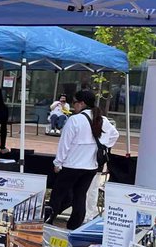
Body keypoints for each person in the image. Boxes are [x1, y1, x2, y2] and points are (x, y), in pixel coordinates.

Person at [49, 89, 119, 229]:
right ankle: (73, 227)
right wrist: (103, 144)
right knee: (80, 197)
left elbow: (65, 144)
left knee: (58, 196)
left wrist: (58, 162)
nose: (73, 105)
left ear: (81, 103)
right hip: (91, 166)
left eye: (74, 102)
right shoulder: (103, 119)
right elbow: (115, 135)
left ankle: (48, 222)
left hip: (71, 165)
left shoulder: (75, 120)